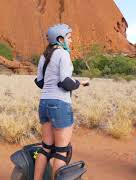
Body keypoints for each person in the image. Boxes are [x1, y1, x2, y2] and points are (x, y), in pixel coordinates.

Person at [33, 23, 89, 180]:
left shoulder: (44, 56)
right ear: (60, 39)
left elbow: (39, 82)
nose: (71, 41)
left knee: (45, 148)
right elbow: (65, 82)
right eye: (69, 37)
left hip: (44, 103)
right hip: (59, 104)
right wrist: (79, 83)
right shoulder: (63, 54)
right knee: (61, 151)